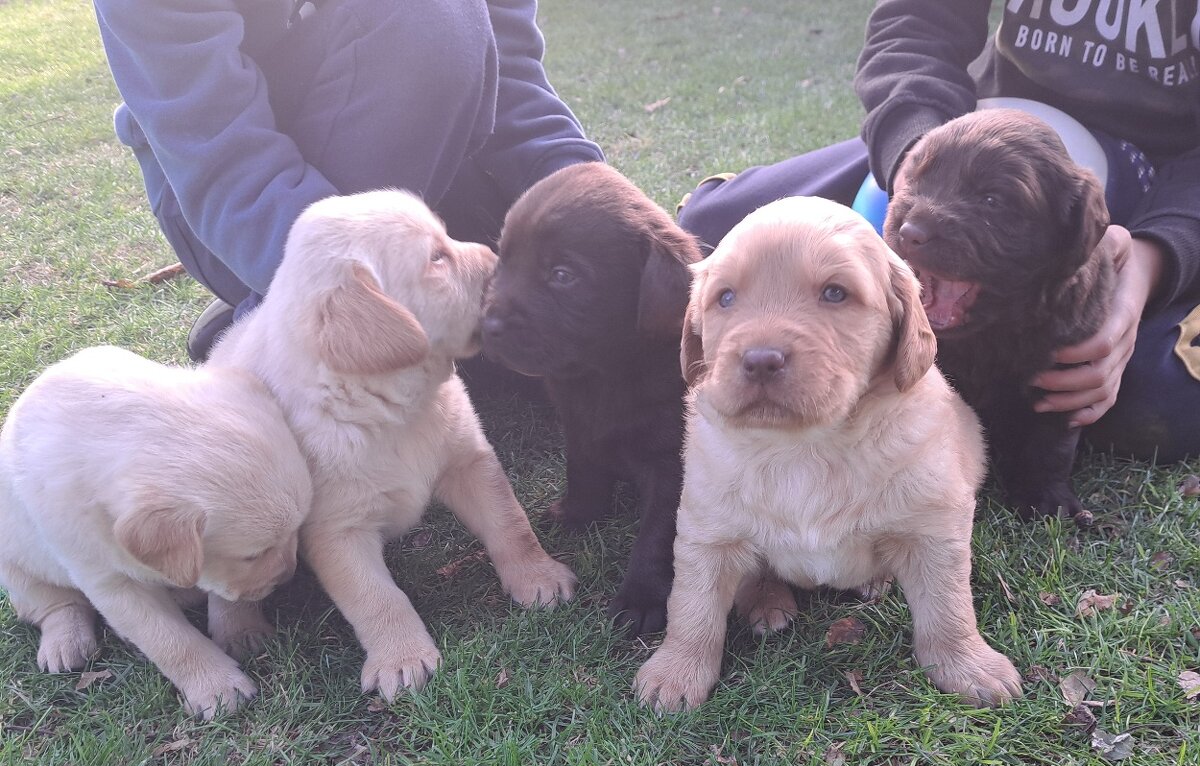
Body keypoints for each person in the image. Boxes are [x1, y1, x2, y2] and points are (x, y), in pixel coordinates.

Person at [677, 0, 1200, 464]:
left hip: (1159, 187)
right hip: (971, 139)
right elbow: (916, 20)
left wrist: (1155, 261)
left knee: (1157, 402)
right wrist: (916, 153)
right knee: (707, 233)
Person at [91, 0, 604, 362]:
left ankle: (292, 315)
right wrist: (325, 297)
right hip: (239, 213)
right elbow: (225, 164)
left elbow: (510, 77)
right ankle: (277, 321)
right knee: (429, 15)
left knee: (569, 323)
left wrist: (604, 209)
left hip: (433, 167)